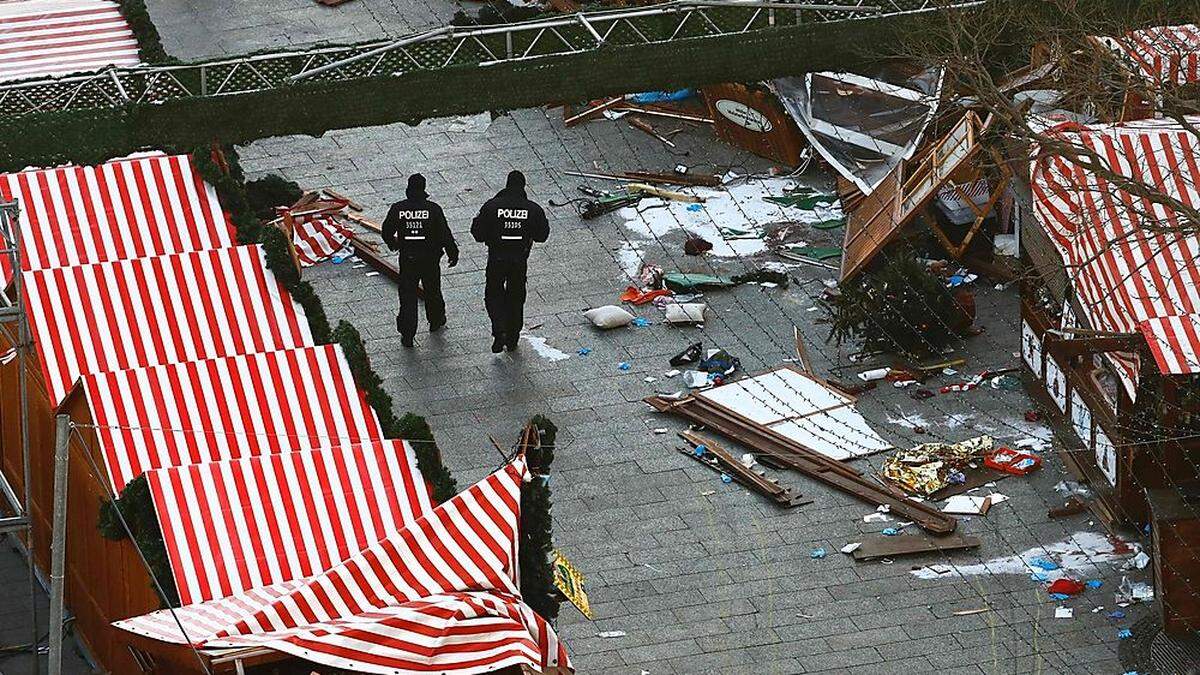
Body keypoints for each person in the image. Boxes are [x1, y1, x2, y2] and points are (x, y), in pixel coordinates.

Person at [471, 170, 549, 353]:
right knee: (516, 297)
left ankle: (499, 329)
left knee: (493, 295)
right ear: (523, 186)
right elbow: (542, 235)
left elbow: (477, 233)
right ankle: (512, 337)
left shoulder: (491, 206)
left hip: (496, 257)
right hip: (519, 259)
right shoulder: (533, 209)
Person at [382, 173, 458, 348]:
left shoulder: (398, 209)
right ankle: (436, 320)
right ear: (423, 188)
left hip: (408, 258)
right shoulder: (433, 209)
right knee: (432, 290)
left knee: (408, 296)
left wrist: (393, 244)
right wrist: (452, 252)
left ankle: (408, 333)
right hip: (430, 259)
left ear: (409, 188)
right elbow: (444, 233)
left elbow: (387, 230)